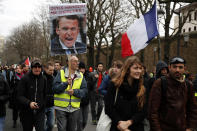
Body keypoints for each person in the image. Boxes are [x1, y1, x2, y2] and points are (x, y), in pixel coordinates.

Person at [148, 56, 197, 131]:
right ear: (169, 67)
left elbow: (193, 109)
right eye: (174, 67)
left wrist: (190, 128)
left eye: (180, 67)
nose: (177, 70)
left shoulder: (188, 85)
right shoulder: (160, 83)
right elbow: (153, 112)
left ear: (184, 69)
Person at [104, 56, 147, 131]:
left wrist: (129, 122)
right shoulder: (114, 85)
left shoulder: (143, 87)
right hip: (117, 127)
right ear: (127, 69)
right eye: (135, 68)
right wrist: (120, 124)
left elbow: (144, 110)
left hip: (136, 127)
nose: (139, 71)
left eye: (140, 68)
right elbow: (108, 108)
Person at [53, 55, 87, 131]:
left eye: (77, 61)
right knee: (62, 129)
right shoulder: (61, 73)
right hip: (61, 108)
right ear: (69, 63)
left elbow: (84, 91)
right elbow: (55, 88)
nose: (77, 63)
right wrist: (65, 84)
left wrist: (74, 92)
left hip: (74, 108)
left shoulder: (81, 75)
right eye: (75, 61)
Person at [17, 59, 47, 131]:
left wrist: (42, 105)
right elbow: (19, 96)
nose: (37, 69)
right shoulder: (25, 79)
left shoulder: (44, 79)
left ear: (41, 68)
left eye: (39, 67)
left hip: (40, 112)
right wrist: (29, 103)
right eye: (35, 67)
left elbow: (45, 94)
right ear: (31, 68)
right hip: (27, 112)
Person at [77, 61, 90, 131]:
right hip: (78, 102)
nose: (82, 70)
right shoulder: (76, 76)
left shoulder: (89, 76)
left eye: (83, 69)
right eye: (80, 69)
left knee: (85, 121)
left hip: (86, 102)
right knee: (80, 121)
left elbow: (91, 88)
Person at [43, 61, 55, 131]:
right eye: (50, 70)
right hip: (43, 105)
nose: (52, 72)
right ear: (46, 69)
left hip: (51, 105)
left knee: (51, 124)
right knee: (43, 126)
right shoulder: (41, 77)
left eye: (53, 70)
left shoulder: (53, 78)